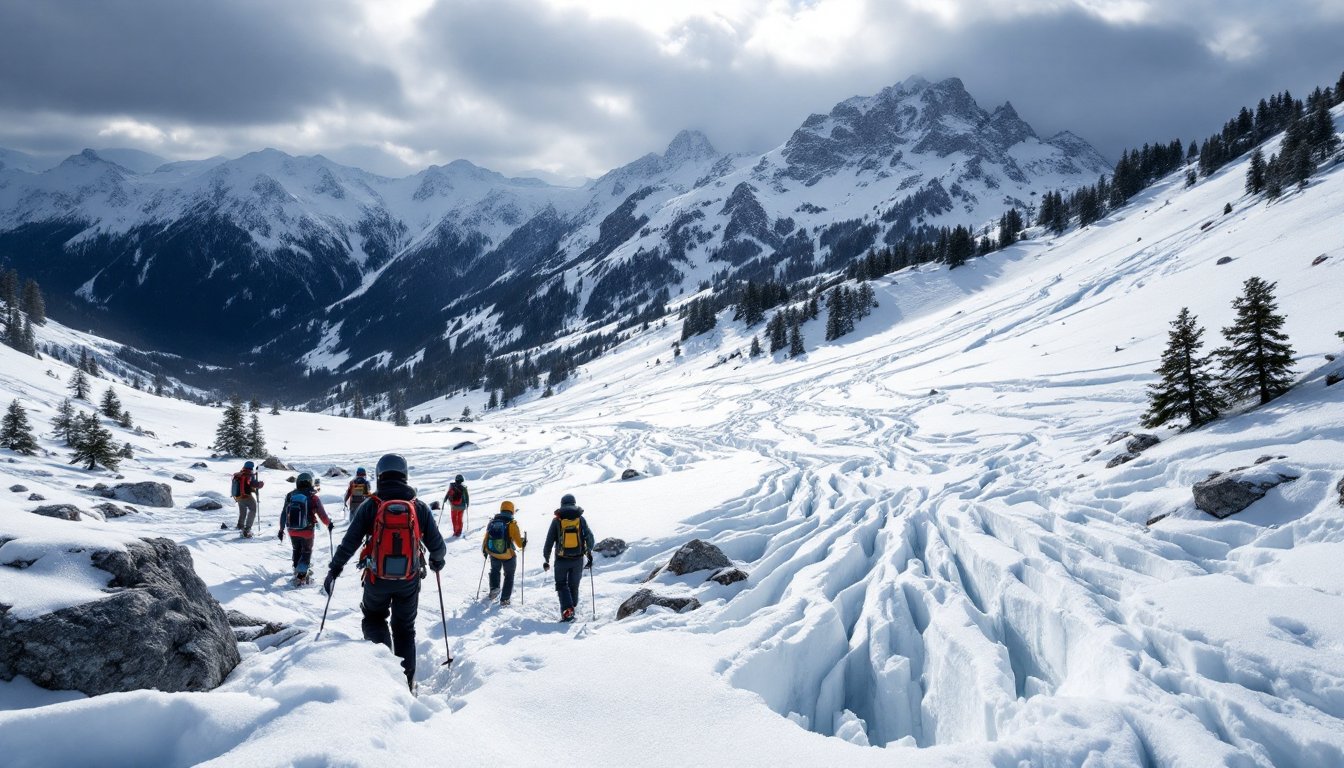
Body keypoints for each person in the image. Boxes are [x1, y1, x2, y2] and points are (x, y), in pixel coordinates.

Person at [324, 453, 447, 691]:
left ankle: (382, 679)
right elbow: (438, 547)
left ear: (379, 476)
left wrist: (335, 567)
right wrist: (437, 562)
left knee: (373, 618)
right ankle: (407, 683)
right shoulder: (418, 507)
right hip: (408, 580)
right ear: (405, 475)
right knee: (404, 629)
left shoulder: (372, 505)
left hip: (376, 578)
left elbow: (350, 541)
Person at [542, 493, 595, 622]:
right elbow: (590, 538)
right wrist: (589, 553)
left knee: (561, 584)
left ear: (562, 504)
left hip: (561, 559)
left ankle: (568, 610)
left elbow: (549, 541)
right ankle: (572, 607)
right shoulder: (580, 519)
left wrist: (546, 558)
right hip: (577, 558)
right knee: (574, 585)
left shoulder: (557, 520)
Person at [277, 472, 333, 585]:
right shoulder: (313, 497)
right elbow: (322, 515)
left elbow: (284, 513)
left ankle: (296, 568)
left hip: (292, 529)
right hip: (307, 530)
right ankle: (301, 575)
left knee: (296, 549)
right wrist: (329, 524)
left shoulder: (290, 496)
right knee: (306, 551)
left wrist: (281, 529)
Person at [481, 500, 526, 605]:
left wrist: (485, 550)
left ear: (501, 509)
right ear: (512, 511)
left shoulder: (492, 522)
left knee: (494, 570)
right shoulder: (512, 524)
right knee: (509, 575)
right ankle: (505, 599)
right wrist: (523, 542)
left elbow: (486, 538)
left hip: (493, 552)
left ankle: (494, 589)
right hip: (507, 554)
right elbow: (519, 544)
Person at [231, 460, 265, 538]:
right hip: (246, 496)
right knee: (253, 509)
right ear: (251, 467)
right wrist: (260, 484)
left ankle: (240, 526)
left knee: (243, 512)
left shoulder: (239, 474)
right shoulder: (249, 474)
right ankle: (248, 528)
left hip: (238, 496)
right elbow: (254, 484)